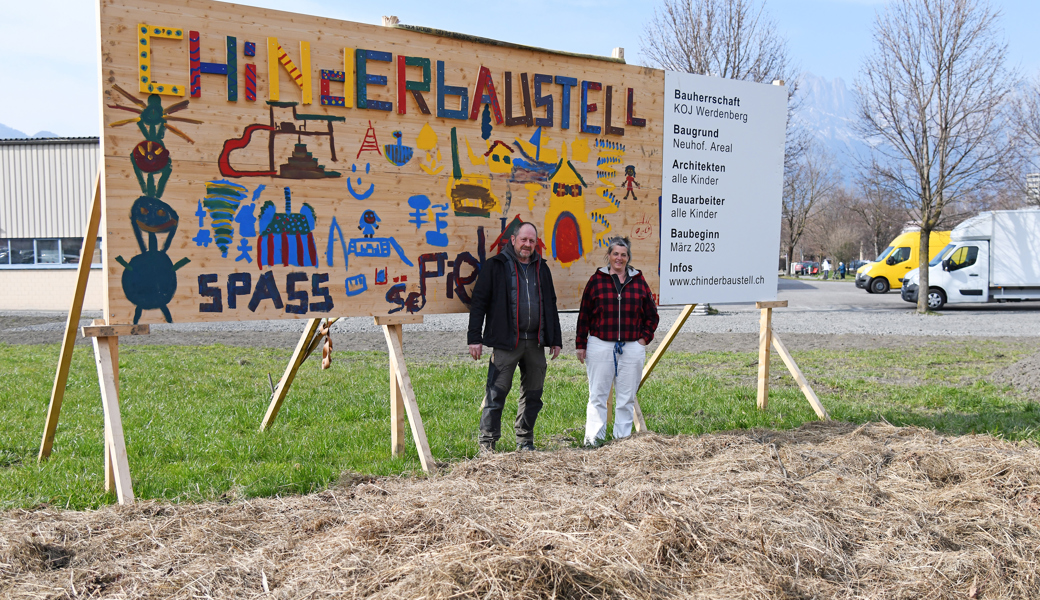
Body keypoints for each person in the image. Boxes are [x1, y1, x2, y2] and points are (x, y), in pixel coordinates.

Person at [467, 222, 562, 453]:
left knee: (533, 395)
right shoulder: (495, 266)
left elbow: (550, 303)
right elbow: (478, 303)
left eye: (532, 241)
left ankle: (525, 441)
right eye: (523, 240)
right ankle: (487, 444)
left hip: (535, 342)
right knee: (496, 393)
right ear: (513, 240)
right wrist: (474, 337)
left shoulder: (542, 268)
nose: (527, 245)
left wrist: (556, 339)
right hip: (506, 342)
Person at [575, 237, 659, 446]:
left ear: (628, 257)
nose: (619, 258)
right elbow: (584, 313)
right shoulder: (596, 280)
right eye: (615, 254)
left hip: (631, 347)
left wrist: (644, 338)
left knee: (626, 398)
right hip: (600, 344)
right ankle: (593, 440)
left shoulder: (638, 281)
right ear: (609, 256)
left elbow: (652, 315)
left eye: (623, 254)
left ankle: (621, 442)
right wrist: (580, 343)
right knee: (598, 395)